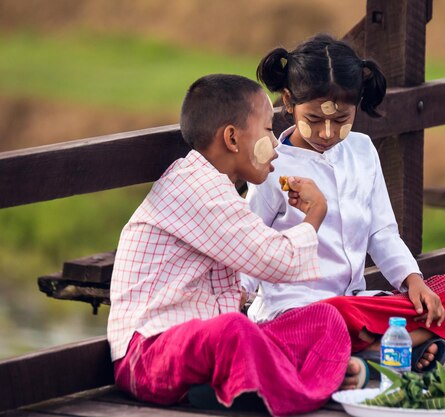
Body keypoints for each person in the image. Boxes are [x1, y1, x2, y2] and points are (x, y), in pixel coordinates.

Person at [106, 74, 365, 417]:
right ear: (231, 137)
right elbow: (280, 261)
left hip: (203, 350)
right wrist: (315, 213)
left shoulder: (220, 189)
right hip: (150, 354)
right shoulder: (197, 189)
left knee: (324, 319)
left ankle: (253, 387)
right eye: (269, 129)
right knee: (236, 330)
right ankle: (310, 387)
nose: (276, 143)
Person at [240, 34, 445, 385]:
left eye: (341, 120)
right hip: (298, 311)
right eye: (314, 119)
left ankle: (368, 355)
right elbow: (248, 242)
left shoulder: (363, 150)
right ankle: (400, 350)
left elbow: (382, 232)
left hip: (355, 303)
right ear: (288, 101)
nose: (328, 131)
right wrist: (238, 297)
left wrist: (413, 282)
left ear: (357, 106)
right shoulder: (272, 165)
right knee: (330, 315)